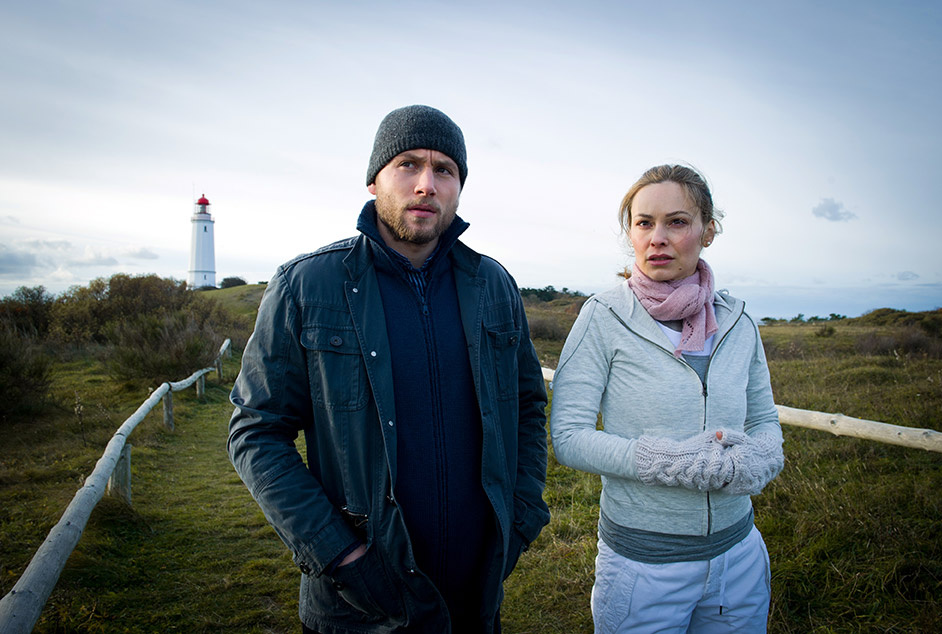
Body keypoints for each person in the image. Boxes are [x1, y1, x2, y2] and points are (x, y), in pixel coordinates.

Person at [228, 105, 550, 634]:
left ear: (459, 188)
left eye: (444, 169)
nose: (426, 184)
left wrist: (521, 514)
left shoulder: (494, 285)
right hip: (357, 605)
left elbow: (529, 408)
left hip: (475, 598)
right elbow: (256, 431)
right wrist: (338, 554)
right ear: (374, 181)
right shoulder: (306, 285)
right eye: (408, 164)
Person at [549, 164, 784, 633]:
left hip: (738, 556)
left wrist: (760, 458)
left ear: (708, 231)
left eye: (677, 222)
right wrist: (664, 460)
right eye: (644, 223)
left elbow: (765, 420)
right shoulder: (603, 316)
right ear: (631, 234)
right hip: (643, 565)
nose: (657, 238)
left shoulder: (739, 322)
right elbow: (569, 438)